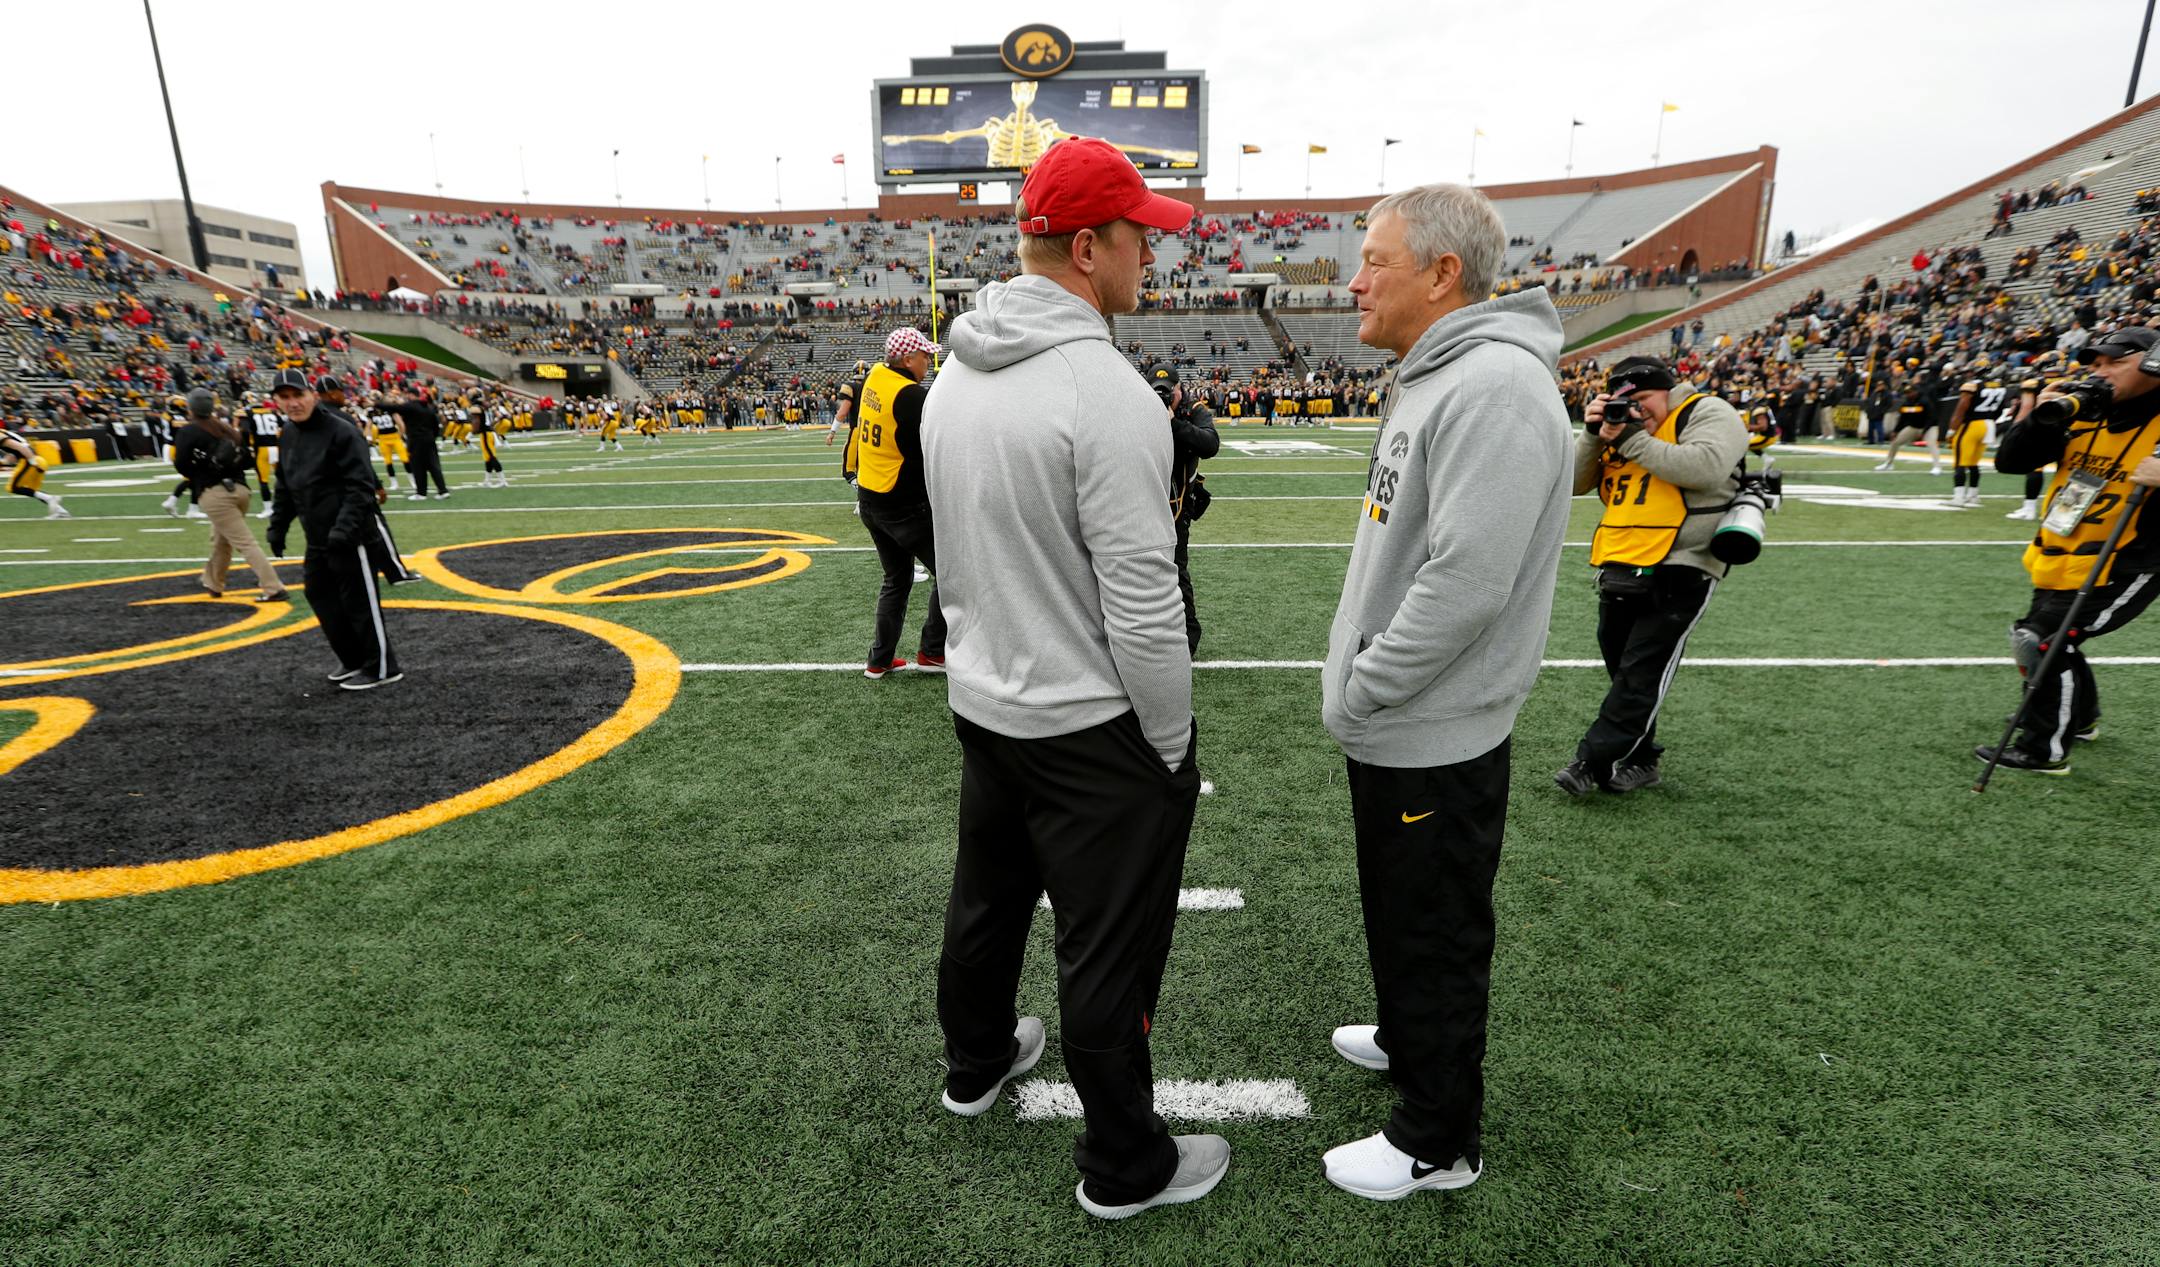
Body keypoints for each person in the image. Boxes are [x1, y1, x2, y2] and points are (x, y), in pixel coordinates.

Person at [921, 135, 1225, 1220]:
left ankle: (975, 1060)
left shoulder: (957, 365)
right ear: (1088, 245)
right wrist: (1172, 741)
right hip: (1088, 718)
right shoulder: (1103, 390)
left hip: (986, 692)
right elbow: (1143, 603)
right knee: (1109, 947)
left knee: (989, 899)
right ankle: (1123, 1164)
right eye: (1140, 234)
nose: (1154, 254)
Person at [1320, 183, 1572, 1202]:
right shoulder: (1439, 377)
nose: (1354, 279)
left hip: (1428, 722)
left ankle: (1438, 1137)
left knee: (1434, 922)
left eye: (1374, 259)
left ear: (1441, 273)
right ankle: (1403, 1033)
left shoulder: (1495, 389)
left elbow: (1467, 583)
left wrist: (1369, 685)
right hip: (1401, 722)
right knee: (1402, 905)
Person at [1557, 357, 1746, 796]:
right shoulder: (1618, 426)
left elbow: (1706, 468)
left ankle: (1591, 762)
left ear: (1665, 389)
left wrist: (1631, 439)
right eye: (1628, 404)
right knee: (1623, 667)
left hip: (1685, 560)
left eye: (1643, 400)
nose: (1638, 411)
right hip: (1621, 559)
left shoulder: (1707, 411)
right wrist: (1592, 434)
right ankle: (1642, 758)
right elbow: (1571, 481)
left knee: (1642, 670)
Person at [1978, 325, 2160, 773]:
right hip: (2066, 550)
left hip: (2130, 558)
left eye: (2115, 362)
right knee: (2057, 641)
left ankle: (2044, 749)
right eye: (2095, 364)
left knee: (2041, 641)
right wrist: (2041, 415)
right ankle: (2078, 717)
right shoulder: (2082, 409)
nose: (2101, 373)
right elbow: (2011, 462)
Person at [265, 370, 402, 690]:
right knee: (319, 594)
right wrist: (278, 527)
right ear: (276, 401)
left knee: (359, 601)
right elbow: (285, 485)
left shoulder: (341, 431)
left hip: (351, 535)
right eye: (284, 397)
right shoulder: (288, 433)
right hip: (316, 536)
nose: (293, 403)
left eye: (297, 395)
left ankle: (382, 667)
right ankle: (354, 659)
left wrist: (344, 529)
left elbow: (361, 486)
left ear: (312, 394)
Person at [855, 327, 946, 679]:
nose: (929, 360)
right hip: (901, 503)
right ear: (908, 359)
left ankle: (879, 659)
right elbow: (927, 454)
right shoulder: (909, 395)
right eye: (925, 355)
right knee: (951, 573)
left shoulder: (873, 380)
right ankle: (933, 651)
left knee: (896, 579)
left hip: (870, 498)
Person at [170, 387, 285, 601]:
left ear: (191, 408)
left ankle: (273, 587)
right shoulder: (227, 429)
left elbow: (182, 465)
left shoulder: (189, 431)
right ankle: (213, 583)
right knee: (221, 540)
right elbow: (248, 461)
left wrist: (204, 469)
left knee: (245, 543)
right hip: (241, 490)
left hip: (215, 493)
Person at [383, 389, 449, 500]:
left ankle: (421, 493)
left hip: (416, 441)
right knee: (434, 466)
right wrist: (432, 436)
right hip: (429, 439)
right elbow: (435, 424)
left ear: (411, 395)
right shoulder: (427, 406)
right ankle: (443, 490)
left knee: (418, 466)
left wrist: (378, 404)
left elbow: (395, 409)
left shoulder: (411, 407)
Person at [1, 423, 67, 518]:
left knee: (13, 487)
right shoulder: (4, 433)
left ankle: (50, 498)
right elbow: (13, 456)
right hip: (38, 460)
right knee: (33, 491)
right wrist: (3, 462)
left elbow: (21, 447)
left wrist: (33, 463)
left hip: (31, 461)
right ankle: (61, 512)